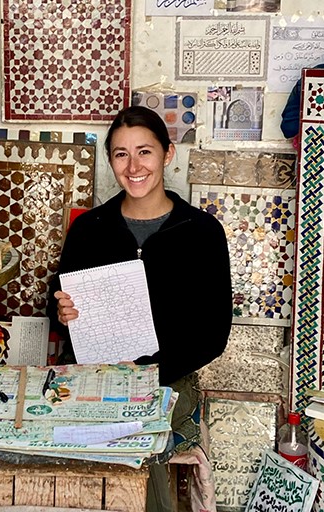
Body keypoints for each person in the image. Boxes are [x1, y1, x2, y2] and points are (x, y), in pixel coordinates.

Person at [49, 105, 232, 511]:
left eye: (144, 152)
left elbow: (213, 334)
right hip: (92, 376)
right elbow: (59, 311)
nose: (133, 166)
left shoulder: (201, 233)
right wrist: (62, 312)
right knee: (67, 447)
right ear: (110, 160)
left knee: (134, 445)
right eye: (120, 154)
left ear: (167, 154)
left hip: (168, 379)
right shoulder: (89, 228)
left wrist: (149, 372)